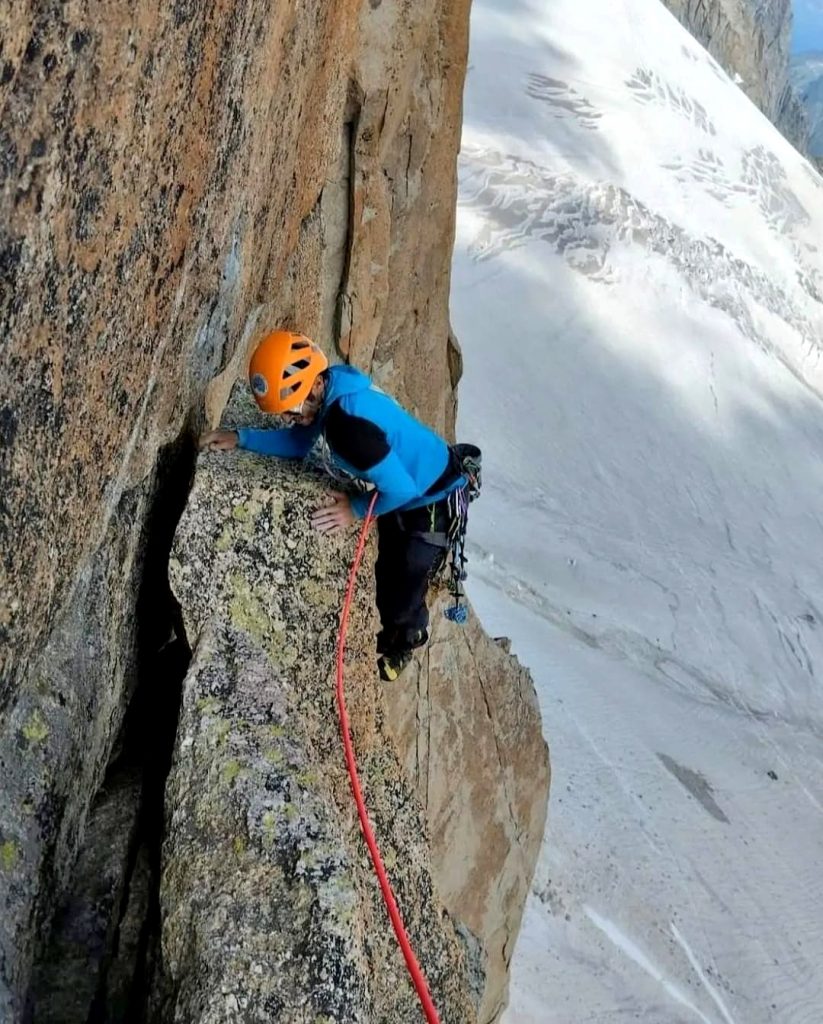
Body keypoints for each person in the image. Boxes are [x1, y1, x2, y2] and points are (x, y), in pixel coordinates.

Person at [199, 329, 468, 681]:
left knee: (404, 578)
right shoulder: (333, 386)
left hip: (433, 495)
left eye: (291, 410)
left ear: (312, 387)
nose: (289, 419)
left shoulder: (346, 426)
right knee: (386, 567)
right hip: (416, 475)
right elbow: (298, 444)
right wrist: (241, 439)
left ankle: (407, 638)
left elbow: (402, 489)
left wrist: (353, 509)